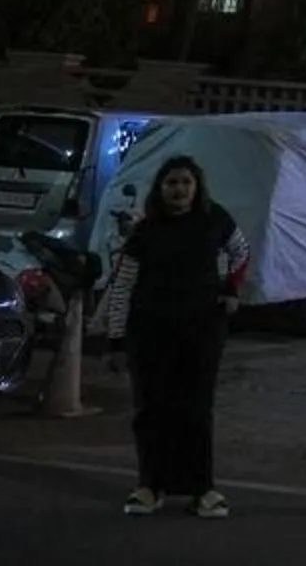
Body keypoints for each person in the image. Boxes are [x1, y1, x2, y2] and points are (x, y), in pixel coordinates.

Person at [102, 154, 250, 518]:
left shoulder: (216, 219)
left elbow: (241, 253)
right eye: (171, 183)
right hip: (150, 334)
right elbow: (123, 285)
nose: (179, 189)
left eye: (186, 182)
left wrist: (230, 289)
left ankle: (203, 489)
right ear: (160, 188)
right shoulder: (146, 231)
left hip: (202, 332)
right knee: (151, 410)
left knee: (196, 409)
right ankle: (150, 486)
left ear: (197, 186)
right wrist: (116, 340)